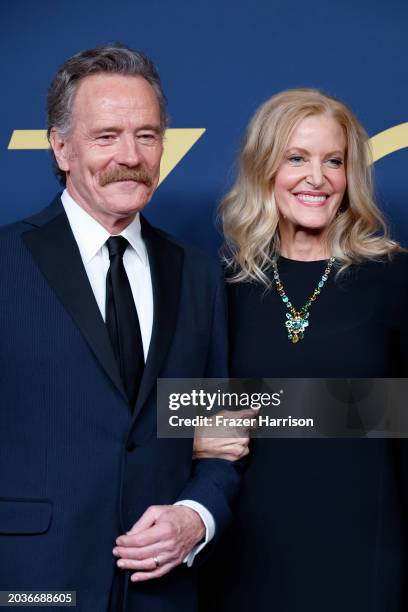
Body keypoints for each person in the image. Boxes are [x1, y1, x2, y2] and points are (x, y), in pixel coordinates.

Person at [0, 44, 245, 611]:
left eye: (148, 135)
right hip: (32, 585)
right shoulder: (7, 261)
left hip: (163, 591)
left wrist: (195, 515)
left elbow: (220, 441)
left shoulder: (200, 277)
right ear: (61, 147)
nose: (130, 156)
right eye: (106, 136)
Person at [198, 89, 408, 611]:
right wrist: (194, 429)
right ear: (264, 167)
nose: (317, 177)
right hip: (246, 557)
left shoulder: (395, 278)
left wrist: (266, 409)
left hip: (368, 553)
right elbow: (177, 408)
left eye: (333, 161)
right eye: (297, 158)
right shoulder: (219, 286)